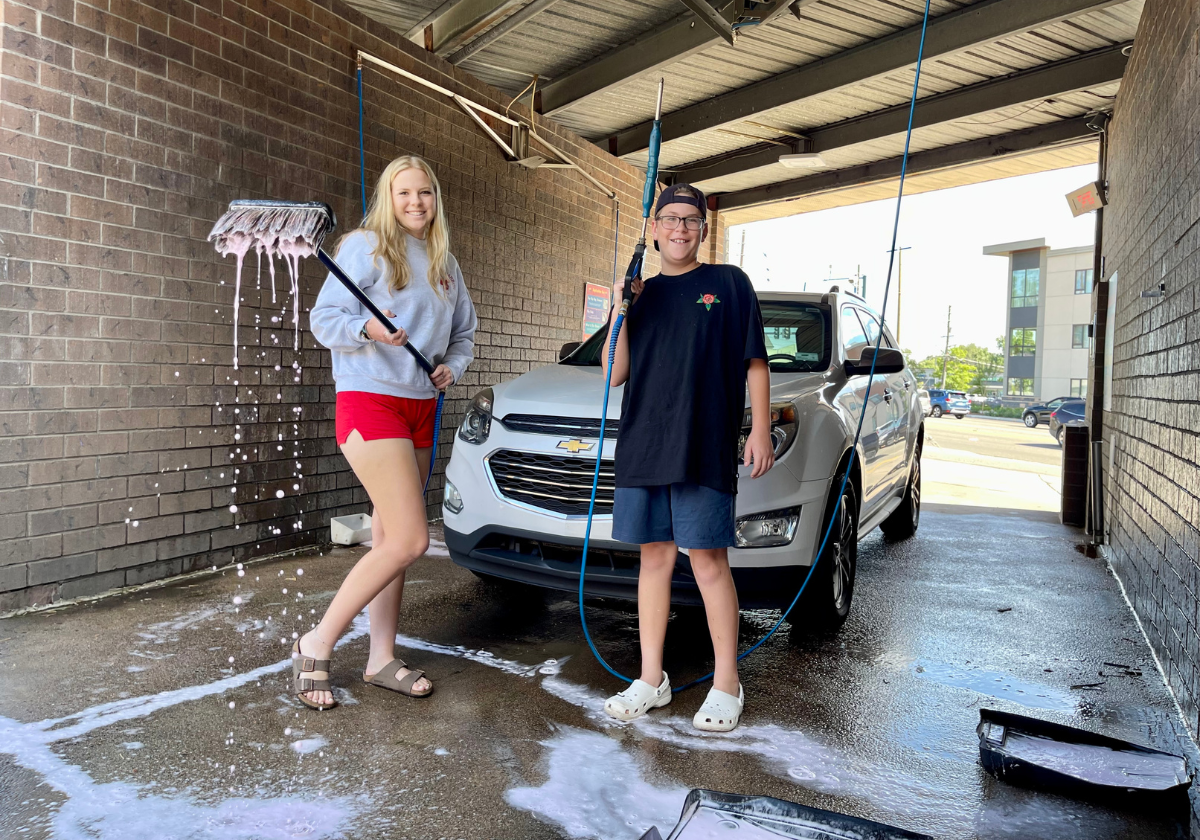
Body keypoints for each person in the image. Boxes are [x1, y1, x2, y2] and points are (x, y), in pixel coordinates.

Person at [299, 155, 477, 710]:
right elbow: (323, 320)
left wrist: (454, 366)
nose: (416, 203)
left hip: (421, 405)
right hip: (370, 400)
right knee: (409, 539)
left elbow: (464, 332)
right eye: (404, 193)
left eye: (425, 192)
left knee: (388, 537)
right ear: (387, 196)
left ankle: (380, 659)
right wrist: (366, 326)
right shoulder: (363, 247)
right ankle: (316, 643)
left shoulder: (446, 261)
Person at [601, 183, 772, 732]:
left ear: (703, 228)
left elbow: (755, 364)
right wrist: (618, 308)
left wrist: (761, 429)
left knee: (706, 560)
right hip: (644, 442)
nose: (680, 228)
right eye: (669, 219)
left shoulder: (728, 283)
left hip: (702, 442)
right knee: (654, 558)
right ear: (653, 229)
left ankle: (727, 683)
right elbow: (615, 371)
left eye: (690, 220)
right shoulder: (641, 294)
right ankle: (652, 678)